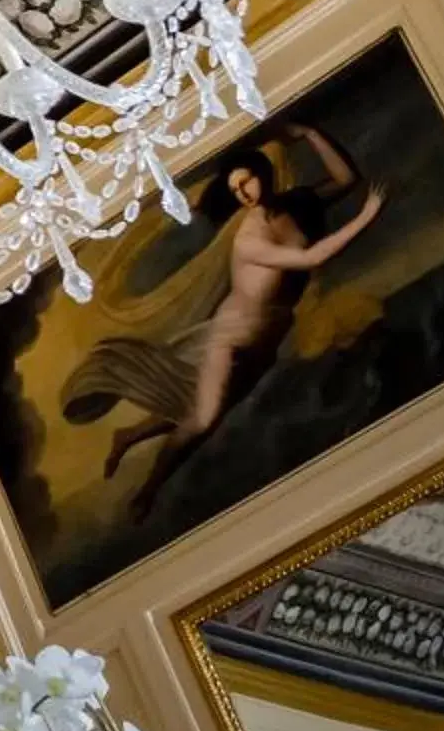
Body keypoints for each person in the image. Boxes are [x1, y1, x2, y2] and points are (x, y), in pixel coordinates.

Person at [68, 126, 388, 523]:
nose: (245, 193)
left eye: (247, 181)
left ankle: (130, 435)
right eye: (236, 191)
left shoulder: (298, 203)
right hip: (231, 337)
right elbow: (310, 260)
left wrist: (308, 133)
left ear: (262, 173)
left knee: (204, 408)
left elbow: (346, 179)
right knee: (204, 419)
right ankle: (148, 491)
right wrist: (366, 216)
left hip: (266, 340)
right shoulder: (249, 235)